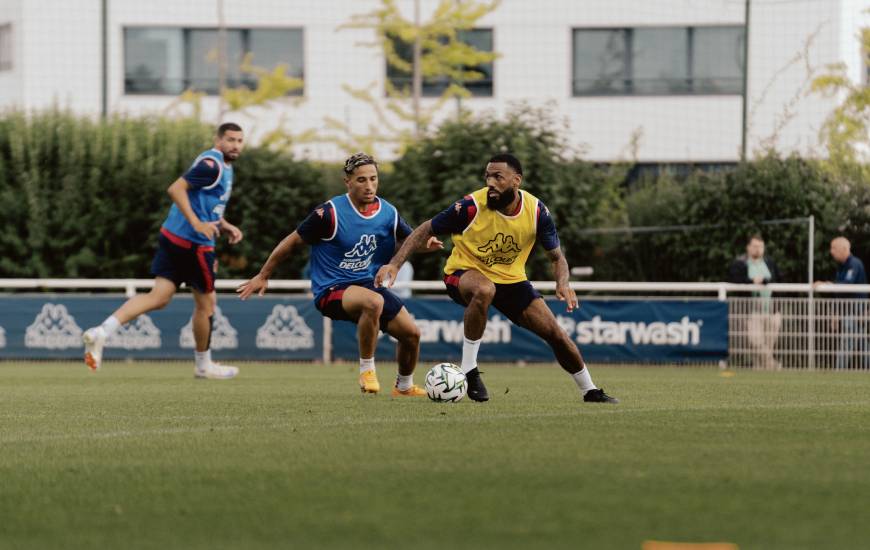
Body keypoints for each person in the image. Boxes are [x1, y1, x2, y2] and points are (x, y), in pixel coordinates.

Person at [375, 153, 618, 404]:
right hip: (462, 274)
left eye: (498, 177)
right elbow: (425, 228)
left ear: (516, 181)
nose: (490, 182)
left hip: (512, 281)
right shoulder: (470, 207)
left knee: (556, 334)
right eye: (488, 176)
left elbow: (557, 258)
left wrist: (563, 282)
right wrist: (394, 264)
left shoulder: (537, 212)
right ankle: (469, 368)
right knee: (484, 289)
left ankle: (590, 390)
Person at [236, 153, 443, 395]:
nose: (369, 186)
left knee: (411, 334)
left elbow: (409, 242)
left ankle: (404, 386)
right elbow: (292, 242)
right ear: (348, 182)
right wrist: (263, 275)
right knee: (373, 302)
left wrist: (424, 245)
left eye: (373, 179)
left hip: (367, 285)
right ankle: (367, 371)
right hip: (331, 289)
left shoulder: (388, 212)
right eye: (361, 180)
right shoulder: (329, 213)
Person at [82, 123, 246, 379]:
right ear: (217, 140)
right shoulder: (212, 165)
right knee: (207, 305)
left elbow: (204, 203)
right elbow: (176, 189)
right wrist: (196, 224)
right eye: (230, 140)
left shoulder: (220, 166)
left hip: (173, 237)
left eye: (239, 141)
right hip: (194, 244)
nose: (235, 145)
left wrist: (223, 225)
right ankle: (204, 366)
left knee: (158, 297)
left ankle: (102, 331)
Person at [727, 234, 782, 370]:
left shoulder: (770, 263)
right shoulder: (740, 263)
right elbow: (735, 280)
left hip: (771, 310)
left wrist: (765, 281)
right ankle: (773, 365)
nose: (757, 249)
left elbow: (779, 280)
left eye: (760, 246)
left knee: (768, 344)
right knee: (756, 341)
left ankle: (761, 374)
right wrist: (752, 282)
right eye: (755, 246)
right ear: (748, 247)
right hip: (751, 312)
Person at [818, 237, 868, 369]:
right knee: (861, 342)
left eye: (834, 248)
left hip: (855, 311)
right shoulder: (842, 266)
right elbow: (839, 292)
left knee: (848, 341)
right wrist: (835, 313)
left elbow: (846, 285)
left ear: (844, 248)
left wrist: (829, 284)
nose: (831, 251)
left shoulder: (854, 264)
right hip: (848, 310)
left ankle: (839, 370)